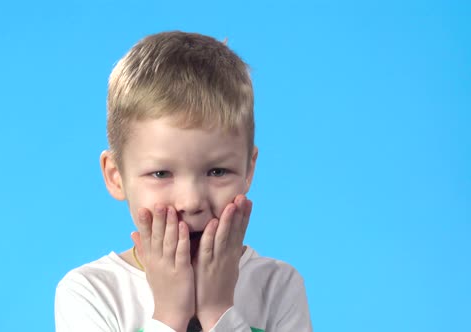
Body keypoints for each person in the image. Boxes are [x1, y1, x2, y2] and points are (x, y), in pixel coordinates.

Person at [55, 31, 312, 332]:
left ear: (248, 170)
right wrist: (169, 314)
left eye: (217, 171)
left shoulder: (277, 287)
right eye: (161, 173)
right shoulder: (91, 292)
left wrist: (219, 310)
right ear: (116, 176)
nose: (191, 202)